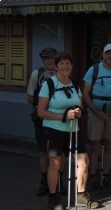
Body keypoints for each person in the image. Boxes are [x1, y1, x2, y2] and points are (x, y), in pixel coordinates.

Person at [37, 52, 99, 209]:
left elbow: (80, 105)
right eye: (62, 63)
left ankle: (82, 195)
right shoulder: (49, 84)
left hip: (73, 129)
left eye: (68, 64)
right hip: (54, 129)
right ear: (56, 66)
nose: (65, 66)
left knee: (84, 160)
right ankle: (54, 197)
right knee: (55, 162)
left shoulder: (74, 84)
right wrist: (63, 115)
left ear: (71, 66)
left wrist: (79, 111)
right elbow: (41, 112)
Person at [83, 43, 111, 189]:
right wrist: (96, 112)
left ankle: (106, 175)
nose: (110, 56)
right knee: (95, 145)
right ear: (103, 54)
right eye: (107, 53)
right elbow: (85, 94)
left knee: (109, 144)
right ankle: (93, 175)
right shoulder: (93, 70)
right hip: (96, 112)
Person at [27, 47, 66, 196]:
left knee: (60, 152)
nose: (49, 61)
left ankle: (60, 181)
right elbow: (30, 97)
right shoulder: (37, 74)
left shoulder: (63, 74)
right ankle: (45, 181)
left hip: (59, 119)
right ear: (42, 60)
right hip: (42, 118)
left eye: (51, 58)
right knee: (44, 151)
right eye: (46, 58)